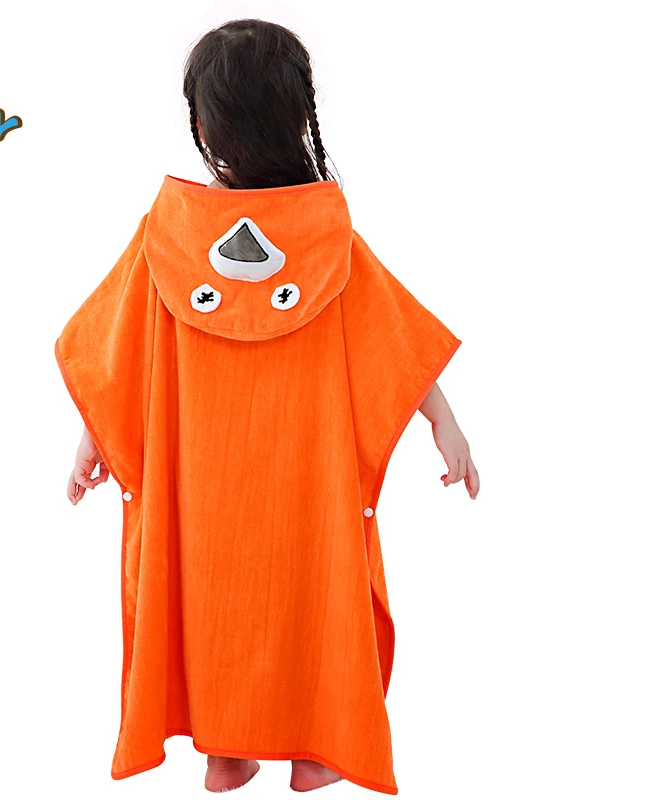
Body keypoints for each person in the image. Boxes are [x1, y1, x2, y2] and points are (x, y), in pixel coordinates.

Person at [57, 17, 479, 796]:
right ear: (298, 118)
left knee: (212, 601)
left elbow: (117, 352)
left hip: (202, 490)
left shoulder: (172, 235)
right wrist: (442, 421)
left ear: (202, 127)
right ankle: (314, 749)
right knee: (312, 596)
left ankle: (227, 752)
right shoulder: (322, 236)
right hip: (306, 483)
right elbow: (391, 337)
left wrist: (92, 438)